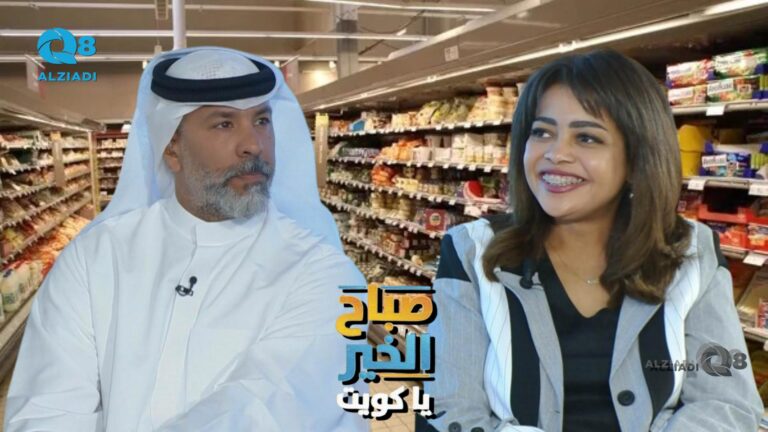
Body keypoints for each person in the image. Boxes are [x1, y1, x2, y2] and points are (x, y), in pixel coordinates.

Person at [4, 47, 367, 431]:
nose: (254, 144)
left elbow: (270, 411)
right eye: (224, 124)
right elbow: (47, 409)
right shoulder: (95, 258)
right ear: (172, 148)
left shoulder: (324, 273)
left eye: (262, 120)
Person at [420, 50, 763, 432]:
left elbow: (727, 403)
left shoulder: (690, 253)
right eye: (541, 132)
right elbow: (447, 411)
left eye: (587, 137)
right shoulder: (472, 252)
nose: (556, 154)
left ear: (637, 157)